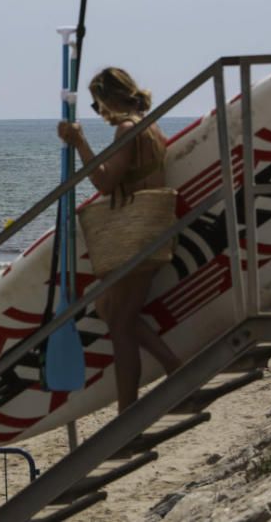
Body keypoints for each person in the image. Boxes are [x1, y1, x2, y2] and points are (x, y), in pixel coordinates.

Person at [57, 66, 181, 414]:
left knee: (121, 324)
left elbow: (105, 183)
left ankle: (130, 410)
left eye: (98, 105)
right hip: (150, 230)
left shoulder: (129, 128)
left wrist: (80, 142)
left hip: (135, 234)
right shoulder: (151, 125)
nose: (100, 113)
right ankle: (173, 368)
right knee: (110, 310)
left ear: (111, 98)